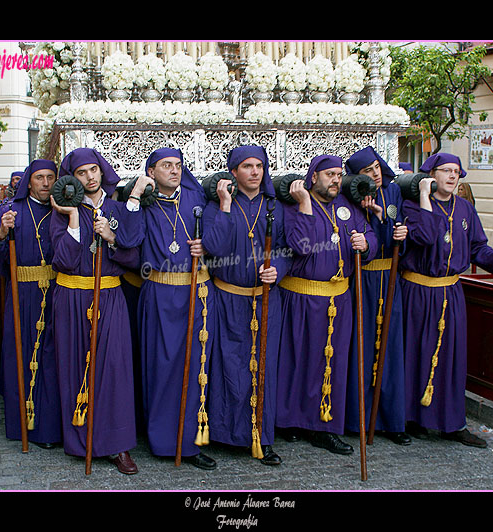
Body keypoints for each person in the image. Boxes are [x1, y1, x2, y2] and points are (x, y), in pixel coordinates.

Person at [400, 153, 493, 448]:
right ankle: (412, 419)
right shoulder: (413, 206)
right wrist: (424, 194)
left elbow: (479, 248)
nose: (453, 176)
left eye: (456, 172)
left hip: (451, 293)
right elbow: (423, 237)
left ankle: (452, 424)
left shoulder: (465, 208)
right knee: (415, 354)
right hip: (418, 291)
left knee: (450, 358)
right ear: (431, 175)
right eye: (446, 171)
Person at [121, 147, 217, 470]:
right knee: (161, 370)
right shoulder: (144, 204)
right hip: (159, 293)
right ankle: (162, 440)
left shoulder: (196, 201)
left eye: (178, 166)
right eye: (166, 166)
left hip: (196, 292)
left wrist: (207, 246)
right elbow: (130, 239)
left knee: (194, 370)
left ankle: (190, 442)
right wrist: (135, 195)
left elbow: (219, 238)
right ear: (151, 170)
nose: (174, 171)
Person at [276, 154, 377, 455]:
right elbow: (300, 245)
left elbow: (367, 231)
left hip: (339, 299)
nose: (335, 179)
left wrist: (366, 242)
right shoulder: (293, 207)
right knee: (299, 362)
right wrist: (305, 203)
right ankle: (291, 421)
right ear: (313, 177)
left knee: (332, 363)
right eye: (329, 174)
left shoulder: (347, 207)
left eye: (338, 174)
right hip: (302, 297)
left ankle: (324, 425)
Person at [49, 147, 140, 475]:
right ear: (72, 178)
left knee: (113, 369)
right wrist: (74, 218)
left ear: (102, 171)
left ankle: (118, 446)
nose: (89, 177)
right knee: (75, 366)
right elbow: (63, 261)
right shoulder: (59, 213)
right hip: (72, 298)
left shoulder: (118, 209)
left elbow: (134, 258)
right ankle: (80, 441)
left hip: (110, 298)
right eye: (82, 173)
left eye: (93, 170)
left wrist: (112, 238)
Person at [201, 145, 291, 465]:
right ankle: (225, 433)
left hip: (266, 300)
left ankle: (261, 437)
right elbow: (213, 247)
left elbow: (289, 248)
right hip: (227, 299)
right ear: (234, 172)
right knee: (228, 367)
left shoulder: (275, 207)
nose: (255, 172)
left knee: (263, 367)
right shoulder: (217, 205)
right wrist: (225, 204)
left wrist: (277, 267)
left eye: (260, 166)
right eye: (247, 166)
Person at [0, 159, 62, 449]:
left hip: (56, 293)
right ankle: (22, 426)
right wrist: (1, 233)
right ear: (28, 181)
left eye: (50, 177)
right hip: (22, 294)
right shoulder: (10, 211)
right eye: (39, 177)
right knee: (22, 355)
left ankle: (50, 429)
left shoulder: (62, 209)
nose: (45, 183)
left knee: (51, 360)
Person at [343, 147, 410, 446]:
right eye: (368, 171)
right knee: (362, 345)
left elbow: (395, 223)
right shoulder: (351, 198)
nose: (375, 175)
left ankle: (392, 421)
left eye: (376, 168)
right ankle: (359, 418)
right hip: (364, 279)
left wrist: (383, 217)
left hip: (390, 277)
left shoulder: (392, 194)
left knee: (390, 347)